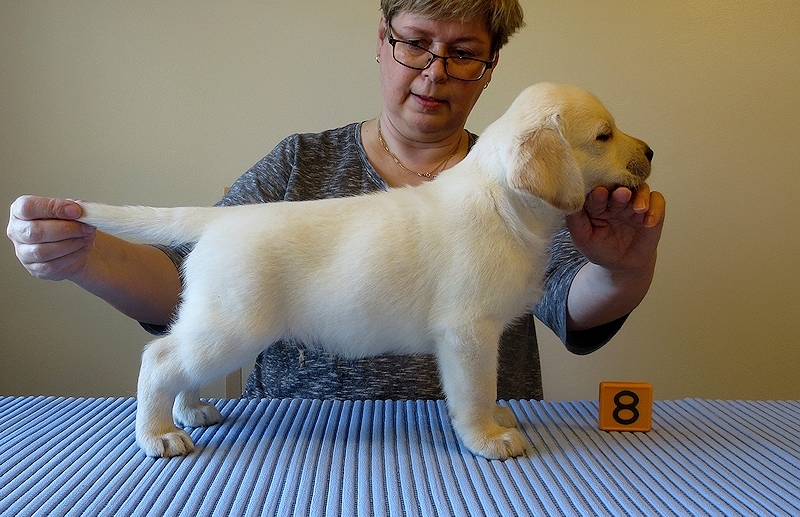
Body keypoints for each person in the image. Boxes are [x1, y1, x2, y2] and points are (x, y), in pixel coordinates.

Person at [6, 0, 665, 401]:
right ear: (381, 41)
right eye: (415, 43)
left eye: (464, 53)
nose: (435, 71)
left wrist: (620, 266)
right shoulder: (300, 163)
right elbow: (189, 281)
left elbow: (568, 308)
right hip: (291, 444)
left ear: (490, 68)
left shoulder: (537, 178)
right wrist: (88, 254)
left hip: (475, 458)